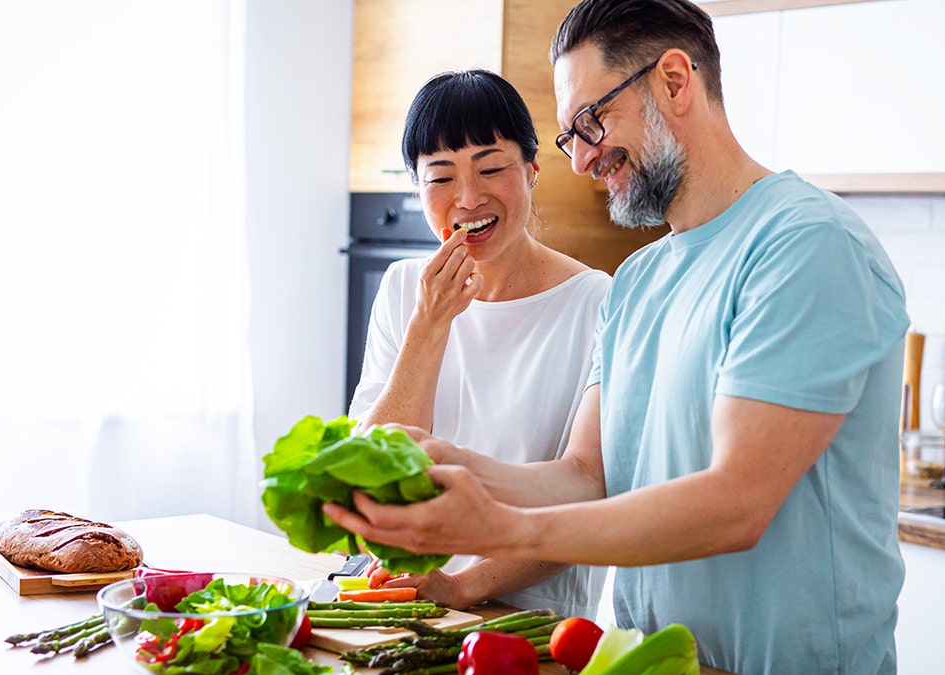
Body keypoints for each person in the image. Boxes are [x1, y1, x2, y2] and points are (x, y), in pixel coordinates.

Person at [327, 1, 909, 672]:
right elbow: (586, 476)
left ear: (673, 81)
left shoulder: (805, 245)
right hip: (649, 661)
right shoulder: (637, 282)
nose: (581, 160)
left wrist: (498, 526)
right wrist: (446, 462)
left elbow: (735, 503)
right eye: (571, 135)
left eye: (591, 122)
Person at [347, 69, 610, 621]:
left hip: (532, 625)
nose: (468, 198)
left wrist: (462, 586)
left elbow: (589, 490)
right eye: (440, 178)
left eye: (491, 168)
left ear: (534, 169)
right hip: (405, 609)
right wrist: (429, 326)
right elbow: (368, 477)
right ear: (416, 188)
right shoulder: (402, 290)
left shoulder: (598, 302)